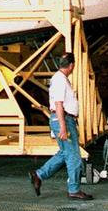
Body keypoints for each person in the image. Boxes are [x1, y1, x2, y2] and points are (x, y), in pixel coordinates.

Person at [28, 52, 93, 201]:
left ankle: (38, 175)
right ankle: (74, 189)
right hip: (63, 119)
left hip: (63, 119)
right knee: (74, 156)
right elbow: (58, 104)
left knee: (64, 153)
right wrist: (63, 126)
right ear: (72, 66)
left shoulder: (60, 79)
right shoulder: (60, 80)